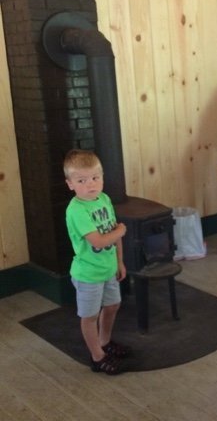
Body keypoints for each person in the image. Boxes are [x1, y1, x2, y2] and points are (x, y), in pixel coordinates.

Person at [63, 149, 130, 375]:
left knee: (112, 305)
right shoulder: (76, 210)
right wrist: (121, 230)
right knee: (89, 316)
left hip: (108, 269)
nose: (90, 184)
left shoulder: (104, 199)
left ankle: (105, 342)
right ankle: (97, 357)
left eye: (95, 178)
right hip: (88, 275)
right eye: (81, 180)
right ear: (70, 184)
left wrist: (119, 262)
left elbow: (112, 233)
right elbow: (99, 241)